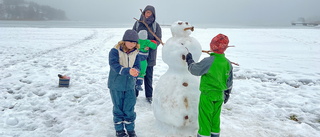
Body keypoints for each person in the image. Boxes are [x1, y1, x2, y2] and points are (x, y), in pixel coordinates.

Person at [185, 34, 233, 137]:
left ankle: (203, 135)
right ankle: (215, 135)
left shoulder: (209, 61)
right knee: (215, 118)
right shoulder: (227, 63)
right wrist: (227, 93)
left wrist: (190, 61)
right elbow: (229, 80)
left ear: (212, 46)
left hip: (208, 94)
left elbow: (195, 70)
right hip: (220, 94)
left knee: (205, 118)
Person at [108, 29, 140, 137]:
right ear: (124, 41)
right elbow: (114, 65)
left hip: (130, 85)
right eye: (130, 41)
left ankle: (130, 129)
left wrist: (136, 71)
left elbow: (137, 65)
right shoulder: (115, 51)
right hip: (116, 85)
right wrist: (127, 71)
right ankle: (119, 130)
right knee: (118, 108)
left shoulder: (136, 52)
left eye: (134, 42)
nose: (132, 44)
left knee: (129, 108)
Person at [132, 5, 162, 103]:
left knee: (148, 76)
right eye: (146, 12)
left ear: (153, 14)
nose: (148, 14)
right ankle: (134, 94)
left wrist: (150, 44)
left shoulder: (155, 26)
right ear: (143, 13)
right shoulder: (137, 24)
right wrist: (137, 45)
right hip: (137, 54)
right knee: (136, 74)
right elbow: (132, 37)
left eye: (150, 12)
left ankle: (149, 96)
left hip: (150, 55)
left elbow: (158, 39)